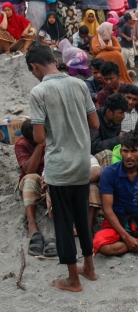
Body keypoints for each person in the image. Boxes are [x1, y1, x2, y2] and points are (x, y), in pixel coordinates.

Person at [27, 44, 98, 292]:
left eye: (33, 71)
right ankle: (89, 268)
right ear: (54, 61)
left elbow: (38, 137)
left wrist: (53, 126)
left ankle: (73, 280)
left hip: (59, 166)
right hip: (82, 162)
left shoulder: (39, 91)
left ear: (35, 67)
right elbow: (95, 123)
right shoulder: (79, 84)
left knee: (64, 224)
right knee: (82, 216)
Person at [15, 120, 54, 255]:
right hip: (33, 178)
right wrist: (39, 146)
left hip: (52, 173)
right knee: (31, 179)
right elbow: (29, 170)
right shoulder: (21, 144)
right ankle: (32, 224)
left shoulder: (51, 136)